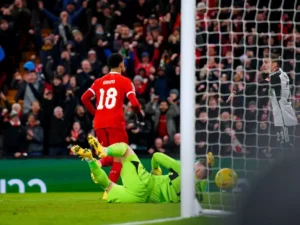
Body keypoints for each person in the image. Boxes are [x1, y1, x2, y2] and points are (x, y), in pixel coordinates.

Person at [71, 136, 214, 203]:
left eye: (197, 164)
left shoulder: (183, 168)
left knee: (125, 150)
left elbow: (157, 155)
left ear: (197, 169)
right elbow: (203, 183)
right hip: (142, 199)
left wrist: (155, 169)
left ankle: (103, 150)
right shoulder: (201, 188)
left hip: (146, 183)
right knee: (108, 187)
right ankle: (90, 160)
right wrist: (209, 168)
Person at [81, 53, 144, 200]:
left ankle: (98, 162)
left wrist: (96, 114)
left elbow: (84, 98)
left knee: (108, 154)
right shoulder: (125, 81)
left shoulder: (98, 82)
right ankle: (109, 192)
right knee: (120, 157)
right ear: (121, 64)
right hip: (115, 123)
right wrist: (139, 114)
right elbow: (134, 103)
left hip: (99, 124)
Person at [227, 52, 297, 150]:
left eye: (266, 62)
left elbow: (258, 85)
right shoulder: (276, 75)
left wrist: (236, 93)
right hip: (280, 115)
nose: (263, 65)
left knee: (287, 147)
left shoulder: (278, 76)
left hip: (285, 117)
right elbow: (259, 84)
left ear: (274, 64)